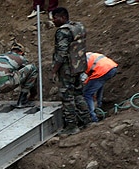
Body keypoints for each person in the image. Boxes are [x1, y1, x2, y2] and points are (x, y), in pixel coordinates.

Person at [51, 7, 91, 135]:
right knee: (78, 94)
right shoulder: (78, 26)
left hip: (67, 69)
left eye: (55, 18)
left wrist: (54, 70)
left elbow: (62, 54)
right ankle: (87, 120)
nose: (53, 21)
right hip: (78, 67)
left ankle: (71, 126)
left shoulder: (63, 32)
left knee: (67, 97)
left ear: (62, 17)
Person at [0, 41, 37, 108]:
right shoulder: (20, 58)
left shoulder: (0, 56)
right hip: (4, 85)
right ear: (21, 52)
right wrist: (33, 93)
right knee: (33, 68)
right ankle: (22, 101)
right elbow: (27, 72)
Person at [84, 52, 118, 122]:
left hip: (103, 70)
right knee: (99, 84)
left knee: (87, 93)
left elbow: (84, 78)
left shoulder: (79, 63)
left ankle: (93, 118)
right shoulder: (87, 55)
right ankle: (99, 105)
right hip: (112, 67)